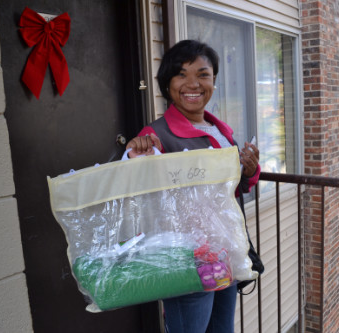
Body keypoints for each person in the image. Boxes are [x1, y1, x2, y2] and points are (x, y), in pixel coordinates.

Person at [126, 39, 260, 333]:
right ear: (167, 83)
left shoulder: (220, 131)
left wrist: (249, 171)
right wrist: (136, 157)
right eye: (181, 74)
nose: (193, 84)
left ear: (213, 81)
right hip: (186, 261)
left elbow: (231, 190)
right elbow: (139, 194)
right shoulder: (155, 135)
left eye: (202, 74)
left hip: (224, 254)